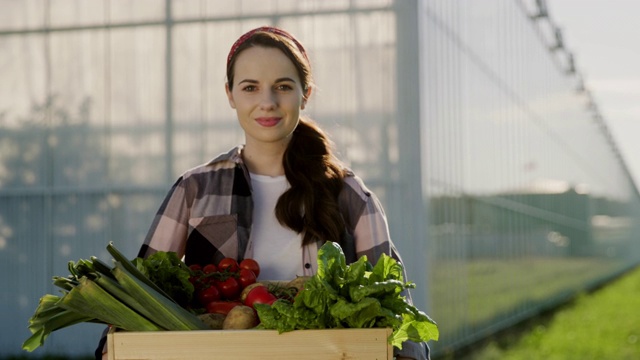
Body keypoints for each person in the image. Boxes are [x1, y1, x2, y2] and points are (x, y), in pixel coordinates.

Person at [96, 26, 429, 360]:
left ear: (305, 94)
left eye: (283, 87)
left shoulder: (349, 194)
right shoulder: (195, 189)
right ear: (230, 94)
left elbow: (395, 307)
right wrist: (112, 347)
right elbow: (139, 292)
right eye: (250, 88)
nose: (267, 102)